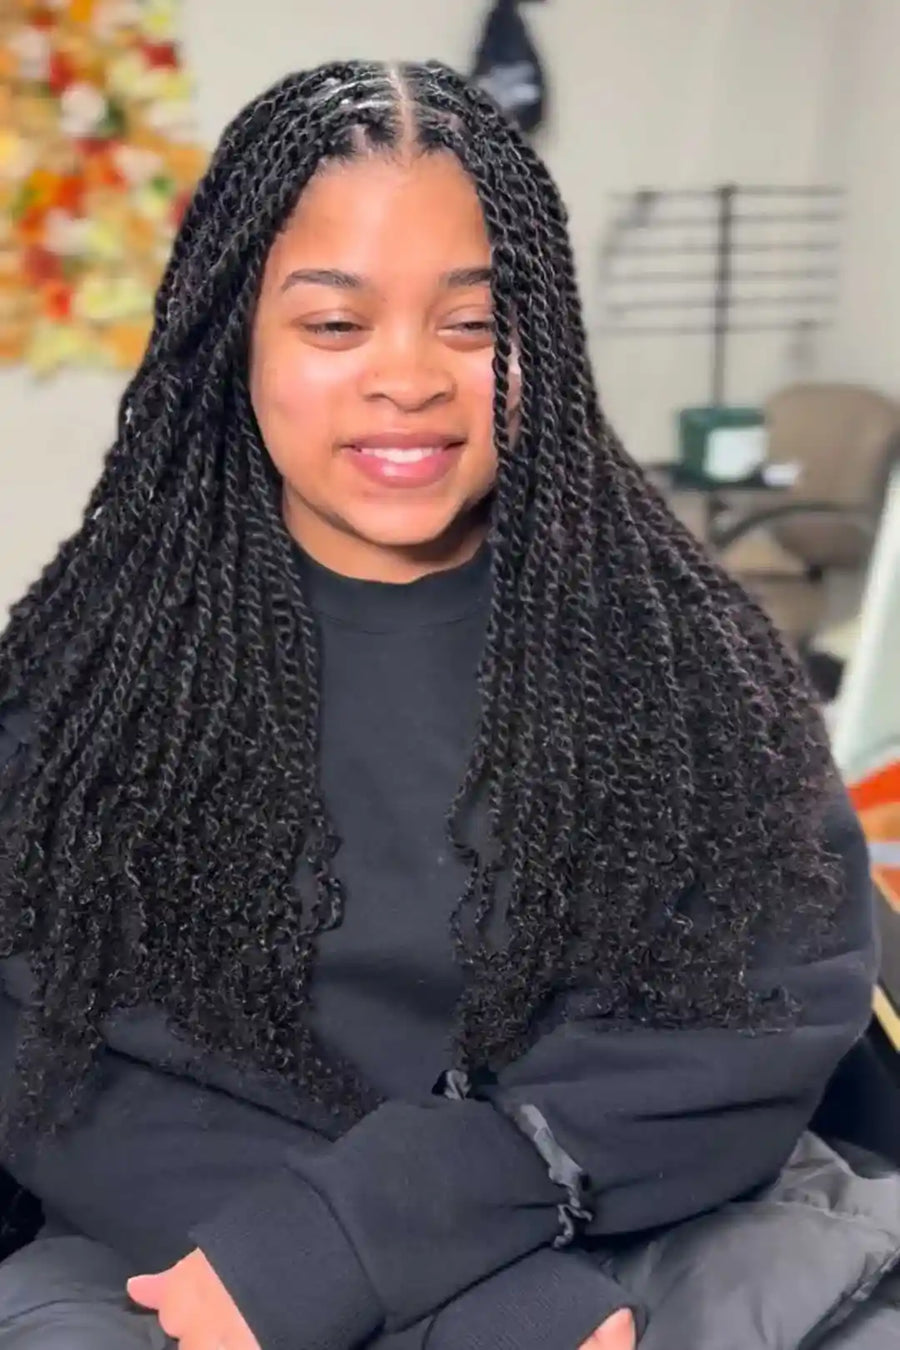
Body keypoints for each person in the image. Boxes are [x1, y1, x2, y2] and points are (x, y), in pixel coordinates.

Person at [0, 60, 881, 1350]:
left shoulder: (692, 660)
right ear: (231, 340)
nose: (408, 378)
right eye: (335, 324)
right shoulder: (88, 679)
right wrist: (357, 1267)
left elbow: (757, 1018)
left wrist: (429, 1223)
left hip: (618, 1224)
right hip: (193, 1242)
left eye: (473, 325)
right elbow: (48, 1055)